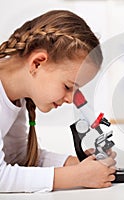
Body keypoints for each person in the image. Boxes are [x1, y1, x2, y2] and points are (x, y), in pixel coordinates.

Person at [0, 10, 116, 192]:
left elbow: (17, 156)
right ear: (37, 63)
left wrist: (76, 164)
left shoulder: (17, 97)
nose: (71, 100)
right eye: (68, 86)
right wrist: (77, 176)